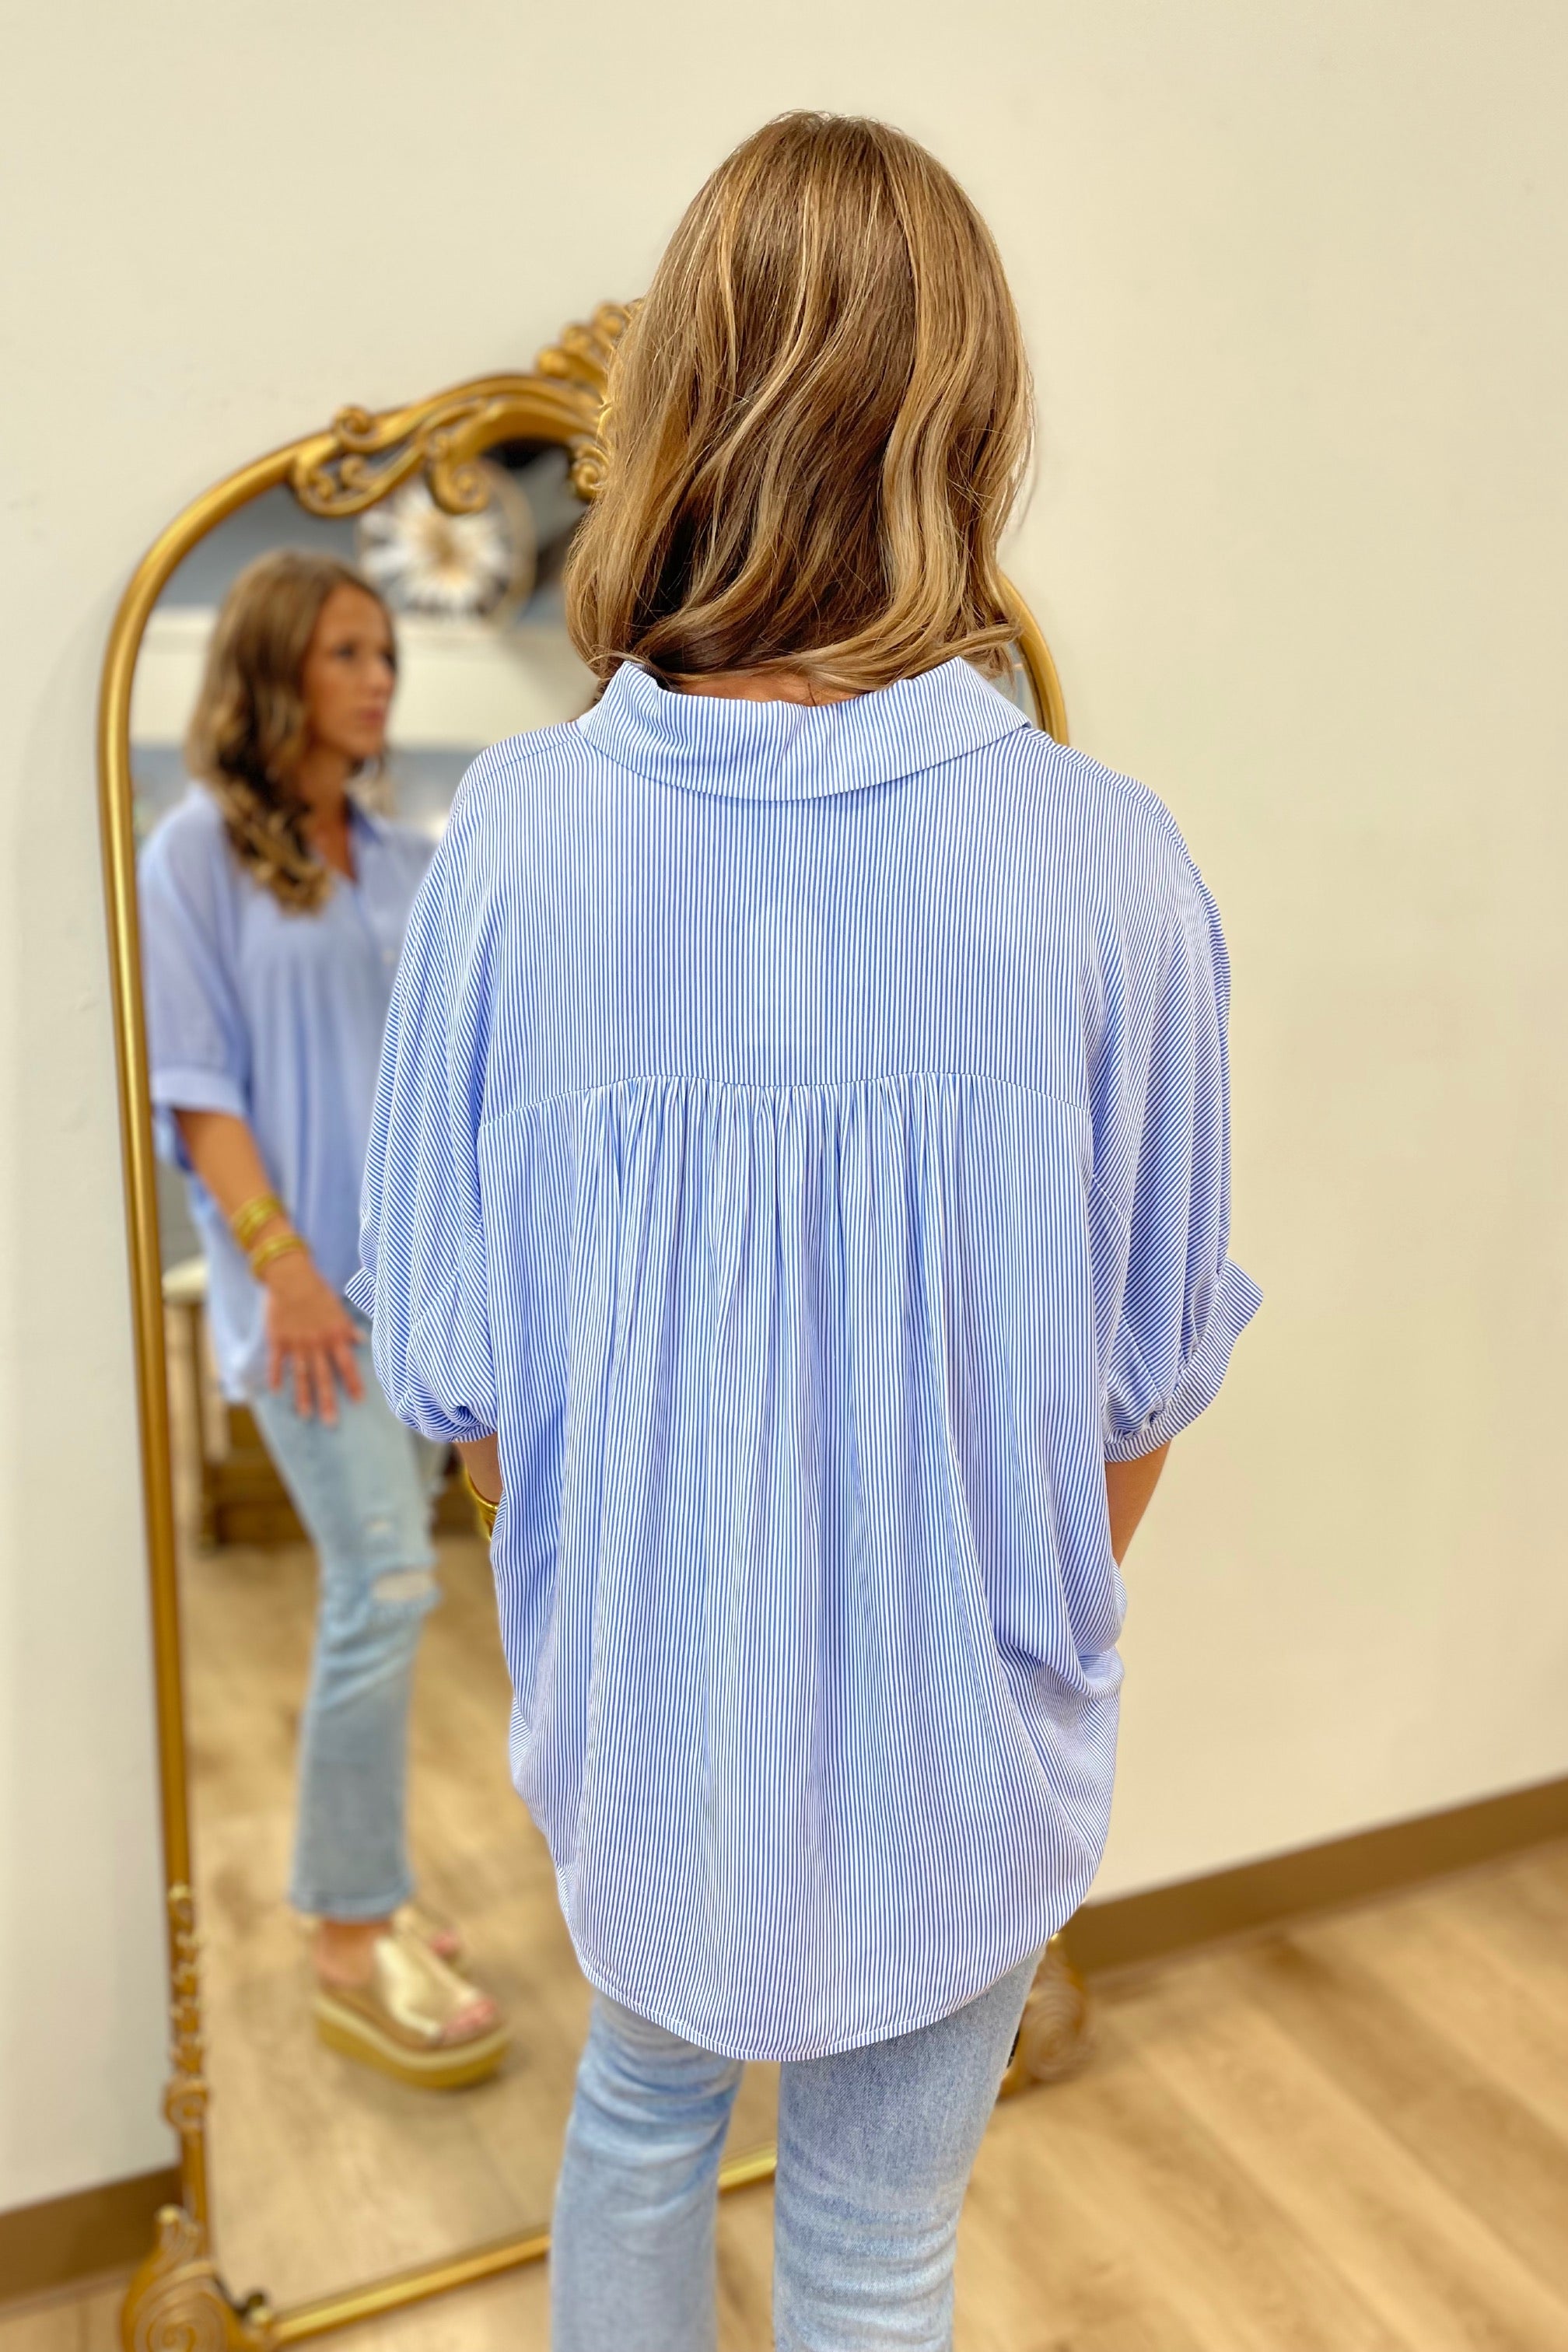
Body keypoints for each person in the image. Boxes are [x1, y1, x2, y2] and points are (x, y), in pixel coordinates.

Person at [355, 111, 1260, 2347]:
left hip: (645, 1726)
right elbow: (1138, 1397)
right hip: (965, 1751)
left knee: (636, 2119)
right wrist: (962, 1645)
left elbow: (472, 1394)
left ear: (675, 410)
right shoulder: (1105, 868)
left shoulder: (516, 854)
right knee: (871, 2248)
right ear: (973, 421)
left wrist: (664, 1623)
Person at [139, 549, 508, 2089]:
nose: (380, 678)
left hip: (424, 1297)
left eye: (386, 654)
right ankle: (350, 1935)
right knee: (385, 1587)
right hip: (306, 1310)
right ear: (274, 667)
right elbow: (196, 1088)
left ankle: (369, 1891)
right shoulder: (192, 858)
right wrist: (284, 1265)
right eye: (347, 650)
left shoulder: (408, 861)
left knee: (406, 1581)